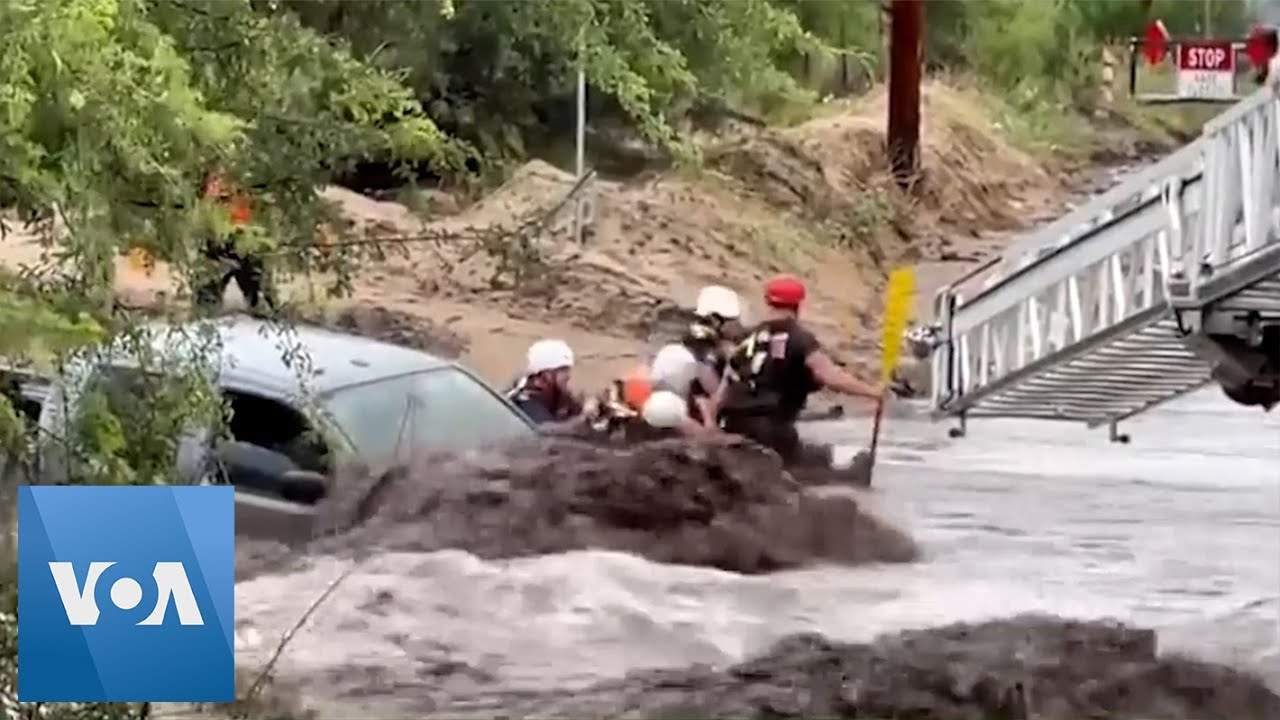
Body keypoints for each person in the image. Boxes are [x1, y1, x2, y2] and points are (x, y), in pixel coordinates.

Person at [720, 274, 883, 466]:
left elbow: (726, 382)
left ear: (767, 302)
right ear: (798, 305)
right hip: (772, 427)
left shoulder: (749, 339)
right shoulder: (799, 338)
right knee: (821, 464)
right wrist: (873, 392)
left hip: (732, 423)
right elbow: (830, 376)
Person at [194, 170, 276, 312]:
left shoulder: (247, 184)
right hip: (219, 241)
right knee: (207, 299)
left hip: (246, 241)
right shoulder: (214, 189)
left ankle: (262, 310)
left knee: (258, 295)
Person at [682, 285, 746, 425]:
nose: (737, 325)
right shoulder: (702, 345)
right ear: (716, 321)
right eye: (733, 320)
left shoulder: (701, 341)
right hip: (702, 414)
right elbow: (711, 388)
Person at [507, 339, 585, 425]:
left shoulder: (556, 394)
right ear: (545, 375)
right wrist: (583, 420)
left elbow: (574, 409)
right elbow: (548, 433)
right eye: (563, 370)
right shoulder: (527, 405)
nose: (568, 376)